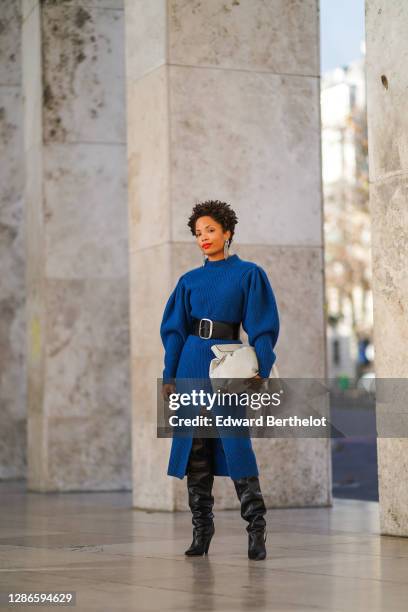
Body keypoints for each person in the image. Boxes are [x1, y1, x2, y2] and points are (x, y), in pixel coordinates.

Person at [160, 200, 280, 560]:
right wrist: (170, 376)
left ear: (227, 231)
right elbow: (174, 331)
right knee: (195, 450)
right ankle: (202, 530)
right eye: (198, 233)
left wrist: (262, 363)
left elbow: (262, 326)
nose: (204, 238)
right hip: (191, 364)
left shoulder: (249, 274)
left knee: (235, 444)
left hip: (229, 363)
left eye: (210, 230)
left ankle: (256, 530)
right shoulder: (188, 281)